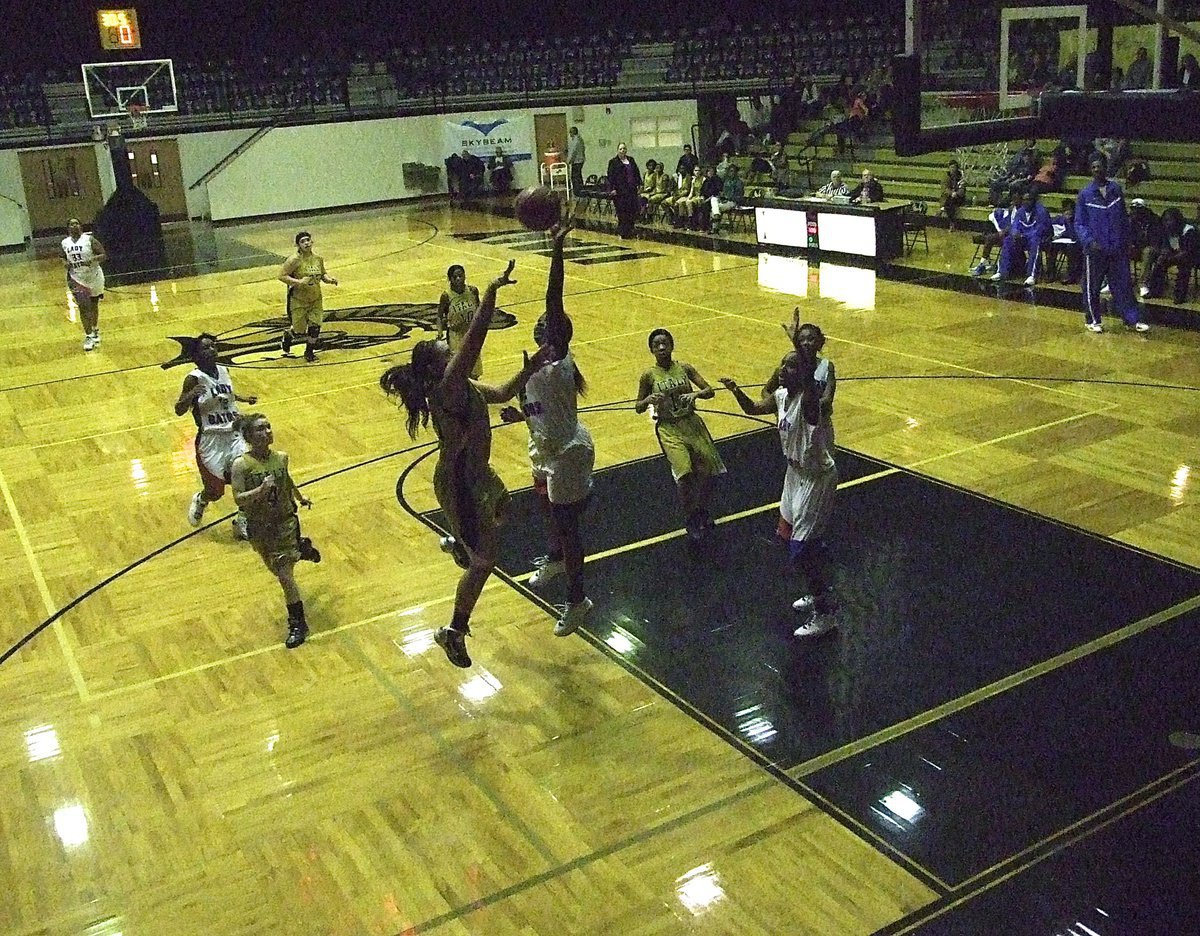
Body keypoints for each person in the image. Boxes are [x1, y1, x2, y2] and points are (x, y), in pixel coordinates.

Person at [379, 261, 551, 667]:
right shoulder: (446, 388)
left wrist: (527, 370)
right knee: (485, 561)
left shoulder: (466, 386)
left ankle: (458, 537)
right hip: (459, 481)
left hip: (478, 476)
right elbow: (473, 340)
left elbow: (505, 392)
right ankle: (452, 631)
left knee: (505, 507)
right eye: (446, 352)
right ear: (437, 367)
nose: (452, 351)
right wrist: (489, 293)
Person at [499, 222, 595, 636]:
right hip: (544, 445)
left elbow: (553, 296)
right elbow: (542, 408)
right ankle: (555, 557)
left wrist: (556, 249)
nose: (539, 325)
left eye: (546, 323)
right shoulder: (538, 362)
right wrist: (523, 418)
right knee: (548, 510)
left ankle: (578, 600)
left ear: (556, 333)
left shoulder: (558, 361)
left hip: (567, 452)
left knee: (568, 526)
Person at [720, 337, 838, 638]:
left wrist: (802, 352)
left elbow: (812, 394)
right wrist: (736, 392)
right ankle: (818, 584)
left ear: (804, 373)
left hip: (815, 477)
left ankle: (825, 613)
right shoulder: (782, 396)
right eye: (782, 364)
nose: (783, 369)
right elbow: (753, 408)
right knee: (786, 537)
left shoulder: (810, 402)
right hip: (793, 473)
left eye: (790, 365)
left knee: (801, 550)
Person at [231, 413, 322, 650]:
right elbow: (239, 498)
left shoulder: (281, 458)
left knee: (284, 576)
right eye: (261, 429)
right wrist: (260, 491)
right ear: (249, 436)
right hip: (259, 526)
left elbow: (287, 480)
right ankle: (301, 549)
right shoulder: (241, 465)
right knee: (275, 568)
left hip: (284, 521)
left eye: (269, 427)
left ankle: (298, 624)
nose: (267, 432)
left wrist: (301, 498)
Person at [635, 328, 725, 542]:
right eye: (656, 345)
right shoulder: (648, 375)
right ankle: (691, 518)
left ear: (672, 345)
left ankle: (701, 510)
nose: (661, 347)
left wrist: (696, 394)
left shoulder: (684, 368)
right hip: (669, 427)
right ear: (651, 350)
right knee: (684, 475)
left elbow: (709, 390)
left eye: (665, 343)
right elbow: (638, 406)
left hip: (692, 423)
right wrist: (648, 401)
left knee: (708, 471)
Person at [175, 333, 260, 539]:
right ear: (196, 355)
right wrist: (190, 395)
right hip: (211, 439)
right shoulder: (193, 378)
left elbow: (225, 394)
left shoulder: (224, 370)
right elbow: (179, 409)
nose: (212, 350)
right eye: (206, 348)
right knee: (215, 491)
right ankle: (202, 499)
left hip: (234, 434)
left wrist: (243, 398)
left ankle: (242, 521)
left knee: (248, 477)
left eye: (213, 346)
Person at [1076, 155, 1150, 333]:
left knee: (1123, 285)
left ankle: (1132, 320)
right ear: (1090, 170)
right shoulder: (1085, 194)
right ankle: (1093, 320)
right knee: (1092, 287)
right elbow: (1079, 223)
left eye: (1099, 166)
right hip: (1095, 249)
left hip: (1117, 247)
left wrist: (1127, 241)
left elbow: (1123, 218)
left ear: (1105, 167)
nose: (1097, 170)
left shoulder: (1115, 189)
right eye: (1093, 167)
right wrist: (1089, 241)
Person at [278, 231, 338, 363]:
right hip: (299, 299)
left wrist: (330, 280)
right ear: (298, 245)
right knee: (299, 330)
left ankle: (309, 351)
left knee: (315, 326)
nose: (306, 243)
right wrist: (298, 282)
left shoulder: (318, 259)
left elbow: (322, 274)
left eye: (308, 240)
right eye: (302, 241)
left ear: (312, 242)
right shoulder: (293, 260)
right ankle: (288, 335)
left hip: (315, 298)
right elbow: (282, 276)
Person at [61, 218, 106, 351]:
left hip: (94, 276)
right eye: (71, 224)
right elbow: (62, 256)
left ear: (81, 226)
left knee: (93, 305)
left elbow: (103, 255)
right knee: (83, 306)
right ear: (68, 227)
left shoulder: (89, 240)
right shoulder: (65, 243)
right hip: (76, 278)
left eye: (77, 223)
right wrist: (65, 263)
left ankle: (95, 328)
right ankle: (89, 335)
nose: (74, 226)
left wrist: (92, 259)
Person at [993, 189, 1051, 286]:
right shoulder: (1020, 211)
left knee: (1035, 242)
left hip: (1040, 238)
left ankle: (1031, 275)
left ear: (1034, 200)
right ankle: (1001, 272)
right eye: (1024, 199)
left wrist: (1023, 235)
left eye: (1028, 200)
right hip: (1024, 238)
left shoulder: (1041, 211)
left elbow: (1041, 230)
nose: (1025, 202)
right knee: (1008, 240)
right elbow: (1015, 225)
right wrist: (1015, 232)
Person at [1141, 207, 1196, 304]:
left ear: (1177, 220)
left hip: (1192, 256)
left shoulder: (1189, 230)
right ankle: (1155, 291)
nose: (1166, 223)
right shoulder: (1166, 231)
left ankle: (1180, 295)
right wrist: (1164, 255)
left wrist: (1171, 258)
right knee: (1160, 263)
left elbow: (1188, 251)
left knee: (1184, 266)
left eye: (1169, 220)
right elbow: (1166, 246)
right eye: (1165, 220)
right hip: (1176, 254)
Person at [437, 264, 483, 378]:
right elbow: (439, 316)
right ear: (450, 279)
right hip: (455, 335)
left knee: (474, 367)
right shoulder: (446, 296)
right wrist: (439, 332)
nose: (458, 279)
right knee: (458, 367)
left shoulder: (472, 291)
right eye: (455, 277)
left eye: (460, 276)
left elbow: (480, 309)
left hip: (471, 332)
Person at [970, 191, 1021, 276]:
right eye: (1013, 199)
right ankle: (983, 263)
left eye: (1016, 199)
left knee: (990, 238)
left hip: (1016, 235)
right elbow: (1008, 222)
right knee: (990, 237)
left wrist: (1005, 231)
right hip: (1007, 233)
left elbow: (1016, 224)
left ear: (1020, 200)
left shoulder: (1022, 210)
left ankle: (992, 265)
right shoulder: (1012, 209)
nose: (1013, 201)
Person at [606, 142, 642, 238]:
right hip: (620, 191)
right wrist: (612, 189)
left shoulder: (631, 160)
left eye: (624, 149)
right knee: (622, 211)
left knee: (631, 210)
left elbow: (636, 173)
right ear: (617, 150)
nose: (623, 151)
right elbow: (610, 177)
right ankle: (623, 231)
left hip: (631, 190)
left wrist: (639, 184)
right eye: (621, 149)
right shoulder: (613, 162)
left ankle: (631, 229)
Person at [709, 165, 744, 232]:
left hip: (734, 202)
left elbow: (739, 196)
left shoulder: (739, 183)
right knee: (714, 200)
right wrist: (721, 197)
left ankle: (715, 227)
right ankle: (716, 220)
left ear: (736, 172)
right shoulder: (726, 181)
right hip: (724, 200)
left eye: (733, 171)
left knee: (715, 208)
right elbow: (722, 192)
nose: (731, 173)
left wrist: (728, 198)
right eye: (730, 171)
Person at [939, 159, 967, 227]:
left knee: (950, 202)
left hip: (958, 197)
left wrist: (956, 194)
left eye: (954, 167)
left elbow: (962, 188)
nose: (952, 169)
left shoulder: (961, 177)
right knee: (950, 201)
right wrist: (952, 193)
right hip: (949, 197)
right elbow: (945, 188)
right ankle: (952, 222)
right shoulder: (946, 177)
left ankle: (950, 220)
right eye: (951, 167)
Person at [566, 126, 586, 194]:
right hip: (580, 160)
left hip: (577, 161)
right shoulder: (580, 139)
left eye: (571, 132)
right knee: (579, 176)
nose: (569, 133)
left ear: (574, 132)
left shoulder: (575, 141)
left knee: (574, 177)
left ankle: (577, 191)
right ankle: (581, 190)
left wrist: (568, 161)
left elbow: (573, 152)